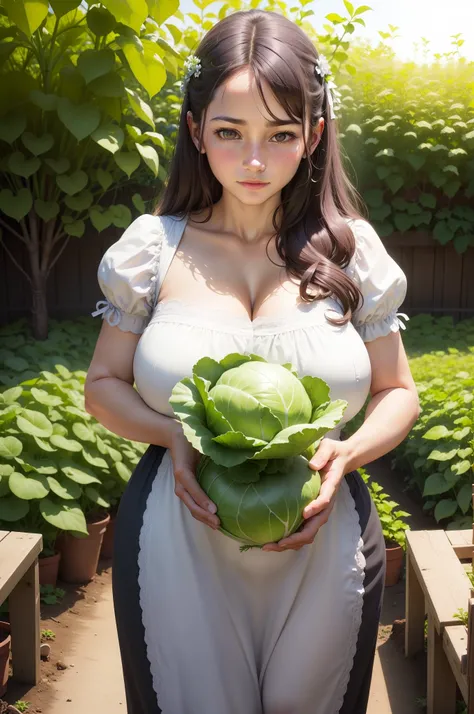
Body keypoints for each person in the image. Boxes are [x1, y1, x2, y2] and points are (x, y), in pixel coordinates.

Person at [85, 9, 420, 714]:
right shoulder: (152, 249)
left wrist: (348, 453)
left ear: (315, 135)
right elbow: (103, 386)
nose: (256, 162)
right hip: (178, 539)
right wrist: (174, 435)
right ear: (195, 129)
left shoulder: (352, 251)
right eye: (230, 132)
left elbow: (398, 392)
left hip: (322, 544)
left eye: (282, 134)